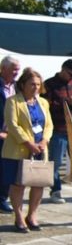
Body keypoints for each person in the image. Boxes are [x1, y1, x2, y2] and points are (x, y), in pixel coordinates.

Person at [2, 68, 53, 231]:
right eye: (32, 84)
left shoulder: (43, 102)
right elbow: (12, 124)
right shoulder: (13, 101)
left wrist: (44, 140)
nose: (36, 87)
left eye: (38, 84)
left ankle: (32, 215)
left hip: (40, 150)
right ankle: (18, 216)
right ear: (23, 84)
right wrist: (28, 143)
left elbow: (48, 125)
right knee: (18, 185)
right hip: (19, 150)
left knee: (39, 183)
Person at [41, 59, 72, 203]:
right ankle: (55, 190)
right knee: (56, 162)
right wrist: (65, 103)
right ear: (63, 69)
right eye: (70, 74)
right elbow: (45, 106)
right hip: (57, 129)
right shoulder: (49, 84)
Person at [0, 55, 21, 213]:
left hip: (11, 135)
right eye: (14, 69)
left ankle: (2, 199)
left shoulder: (18, 87)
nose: (17, 72)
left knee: (6, 170)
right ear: (4, 68)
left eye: (18, 69)